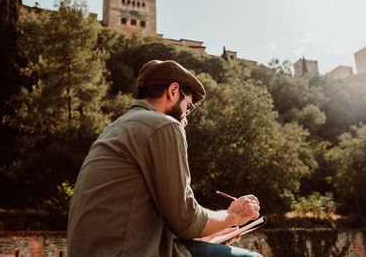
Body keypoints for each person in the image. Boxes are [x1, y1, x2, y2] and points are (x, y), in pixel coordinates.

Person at [67, 60, 263, 257]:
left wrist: (206, 233)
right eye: (188, 105)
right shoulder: (164, 125)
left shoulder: (114, 129)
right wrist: (232, 215)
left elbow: (136, 213)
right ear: (173, 91)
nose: (186, 117)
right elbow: (186, 220)